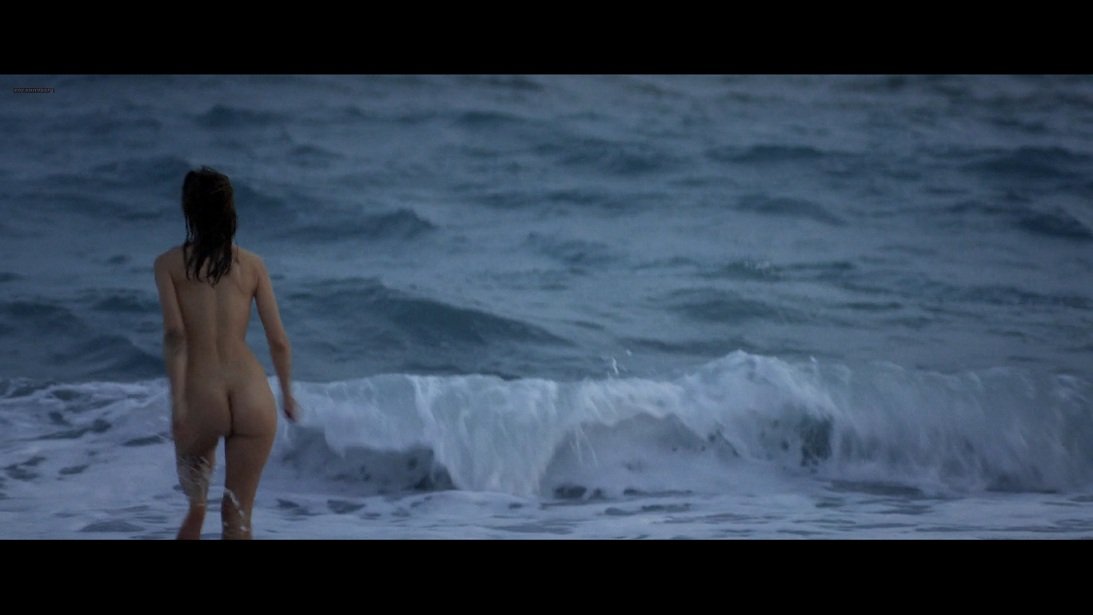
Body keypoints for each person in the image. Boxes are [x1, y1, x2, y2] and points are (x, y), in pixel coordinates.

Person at [153, 166, 297, 539]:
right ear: (229, 211)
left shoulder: (169, 265)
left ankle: (197, 507)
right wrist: (288, 395)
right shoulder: (253, 265)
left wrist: (178, 404)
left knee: (197, 507)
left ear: (189, 210)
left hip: (202, 398)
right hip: (252, 396)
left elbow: (175, 335)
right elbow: (278, 340)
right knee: (238, 517)